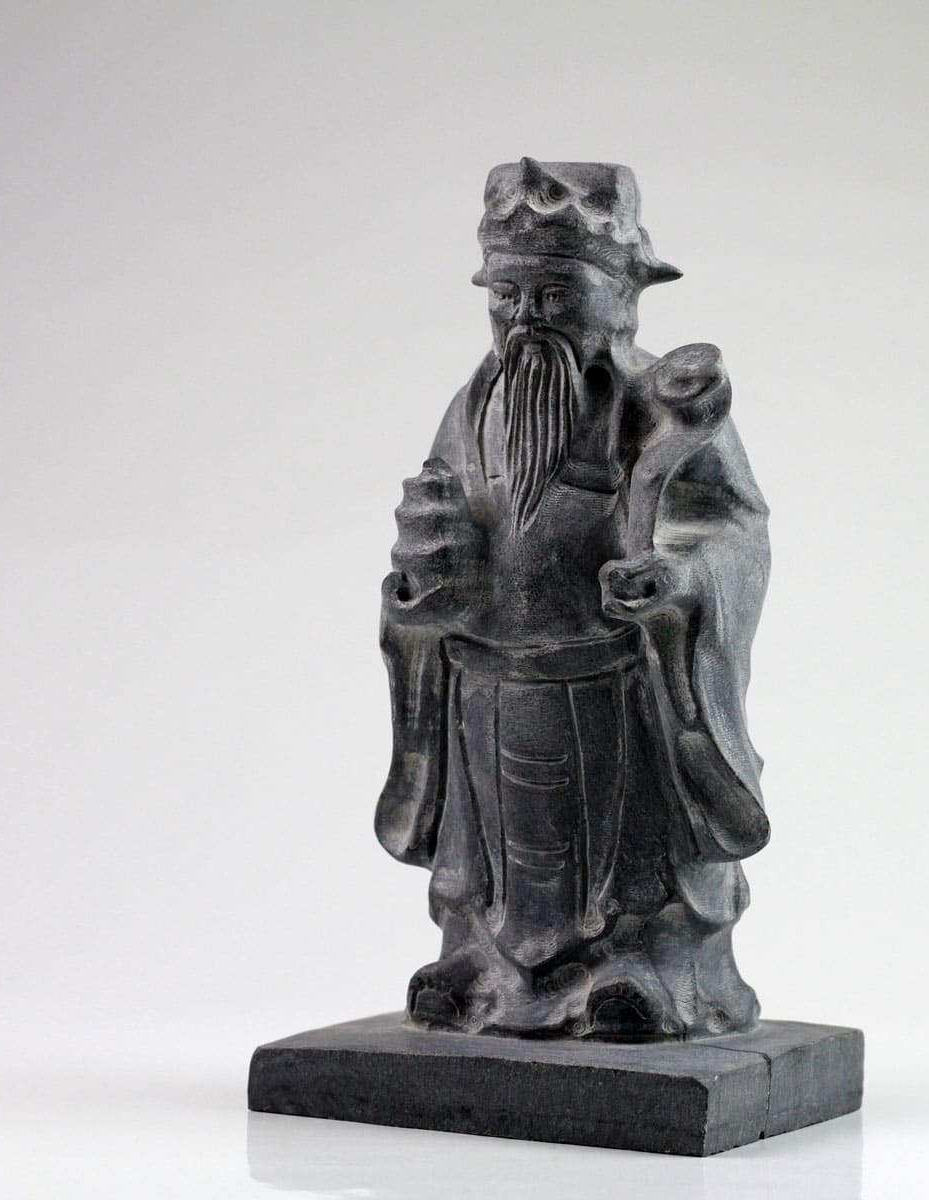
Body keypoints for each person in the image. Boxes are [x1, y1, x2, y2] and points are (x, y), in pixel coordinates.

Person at [376, 159, 771, 1039]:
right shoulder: (475, 407)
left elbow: (734, 528)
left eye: (555, 296)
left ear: (619, 298)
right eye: (506, 296)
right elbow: (435, 517)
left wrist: (679, 582)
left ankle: (646, 969)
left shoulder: (658, 407)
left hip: (616, 684)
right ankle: (480, 963)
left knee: (632, 854)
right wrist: (422, 589)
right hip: (487, 678)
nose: (526, 319)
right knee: (490, 849)